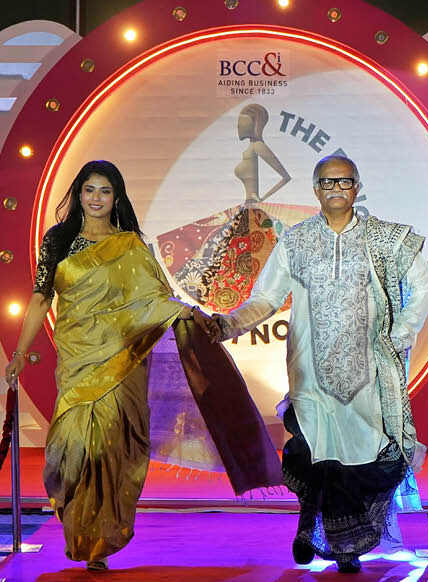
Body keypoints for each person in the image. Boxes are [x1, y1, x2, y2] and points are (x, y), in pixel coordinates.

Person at [3, 160, 281, 570]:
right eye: (89, 190)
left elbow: (151, 300)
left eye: (105, 191)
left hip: (122, 362)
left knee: (112, 448)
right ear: (78, 194)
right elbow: (41, 298)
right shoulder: (58, 241)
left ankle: (99, 542)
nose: (96, 198)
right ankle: (79, 522)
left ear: (117, 198)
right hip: (79, 360)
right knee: (70, 450)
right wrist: (21, 353)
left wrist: (184, 313)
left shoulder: (131, 246)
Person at [210, 154, 428, 573]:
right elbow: (266, 297)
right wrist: (228, 324)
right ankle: (313, 529)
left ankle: (345, 545)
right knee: (314, 454)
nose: (336, 189)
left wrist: (401, 331)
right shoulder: (296, 242)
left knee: (363, 460)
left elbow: (426, 286)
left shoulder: (383, 239)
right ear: (315, 189)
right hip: (309, 373)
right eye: (327, 182)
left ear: (357, 187)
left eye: (344, 181)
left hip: (368, 376)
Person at [160, 103, 293, 311]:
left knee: (255, 268)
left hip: (253, 214)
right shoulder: (250, 148)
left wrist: (262, 198)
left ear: (254, 124)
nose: (240, 127)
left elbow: (284, 176)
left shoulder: (258, 147)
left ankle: (246, 313)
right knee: (218, 264)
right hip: (243, 211)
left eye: (244, 122)